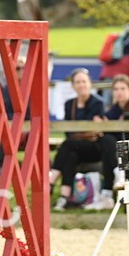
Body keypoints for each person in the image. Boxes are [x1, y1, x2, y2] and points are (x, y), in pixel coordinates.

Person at [49, 68, 113, 210]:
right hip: (76, 147)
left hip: (94, 147)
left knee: (67, 145)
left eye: (84, 81)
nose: (81, 85)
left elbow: (96, 132)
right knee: (70, 155)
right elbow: (69, 131)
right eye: (77, 82)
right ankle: (64, 198)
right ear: (73, 85)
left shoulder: (98, 103)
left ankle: (52, 177)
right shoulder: (69, 104)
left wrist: (83, 132)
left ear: (90, 83)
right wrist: (85, 131)